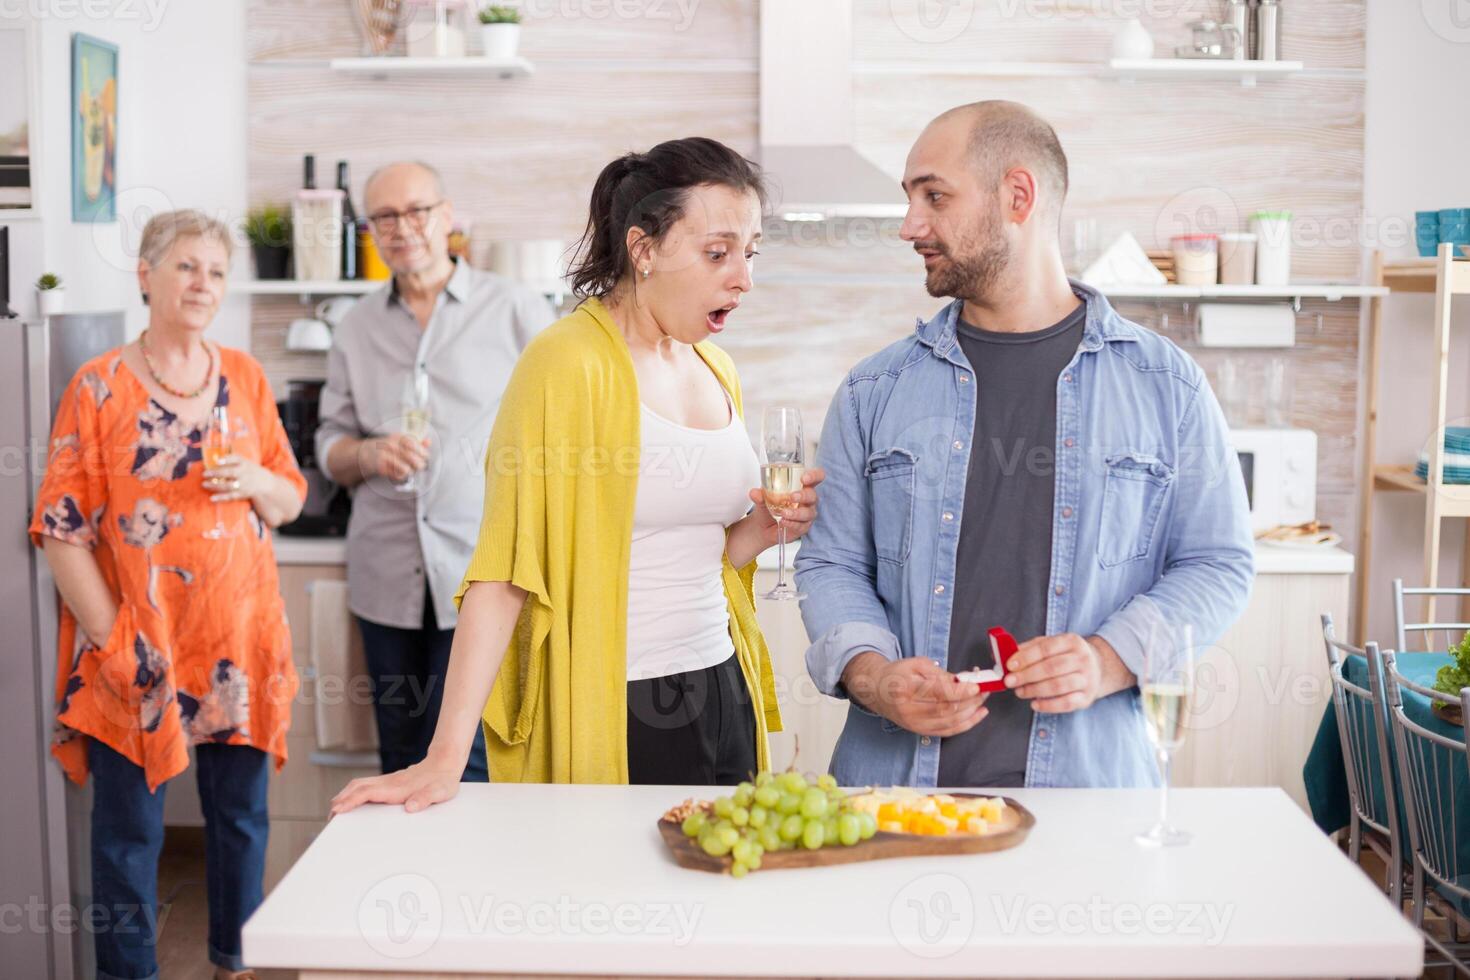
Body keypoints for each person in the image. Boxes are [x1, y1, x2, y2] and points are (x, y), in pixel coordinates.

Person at [331, 136, 824, 811]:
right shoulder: (565, 364)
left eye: (750, 253)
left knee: (721, 893)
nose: (743, 278)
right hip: (621, 699)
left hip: (719, 678)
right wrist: (444, 758)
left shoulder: (715, 366)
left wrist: (765, 527)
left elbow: (709, 551)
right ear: (642, 249)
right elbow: (504, 572)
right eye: (717, 253)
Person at [795, 101, 1253, 789]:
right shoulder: (874, 389)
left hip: (1090, 798)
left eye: (935, 196)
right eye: (910, 199)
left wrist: (1109, 659)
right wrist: (876, 677)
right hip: (894, 797)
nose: (909, 226)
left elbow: (1217, 562)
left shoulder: (1165, 384)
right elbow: (830, 563)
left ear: (1018, 196)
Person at [31, 209, 307, 980]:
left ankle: (233, 960)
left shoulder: (245, 377)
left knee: (241, 821)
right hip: (140, 646)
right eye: (185, 266)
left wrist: (257, 481)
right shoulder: (100, 387)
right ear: (146, 274)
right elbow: (62, 528)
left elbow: (289, 497)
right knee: (128, 832)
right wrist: (114, 640)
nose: (201, 284)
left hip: (239, 640)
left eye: (215, 271)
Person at [316, 161, 555, 780]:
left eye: (417, 211)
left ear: (446, 218)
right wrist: (367, 455)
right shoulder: (355, 327)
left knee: (468, 760)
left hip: (484, 574)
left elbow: (561, 433)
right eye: (385, 217)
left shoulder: (517, 311)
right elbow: (329, 444)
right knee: (398, 754)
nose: (403, 228)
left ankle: (463, 879)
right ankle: (403, 879)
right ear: (371, 230)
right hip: (385, 576)